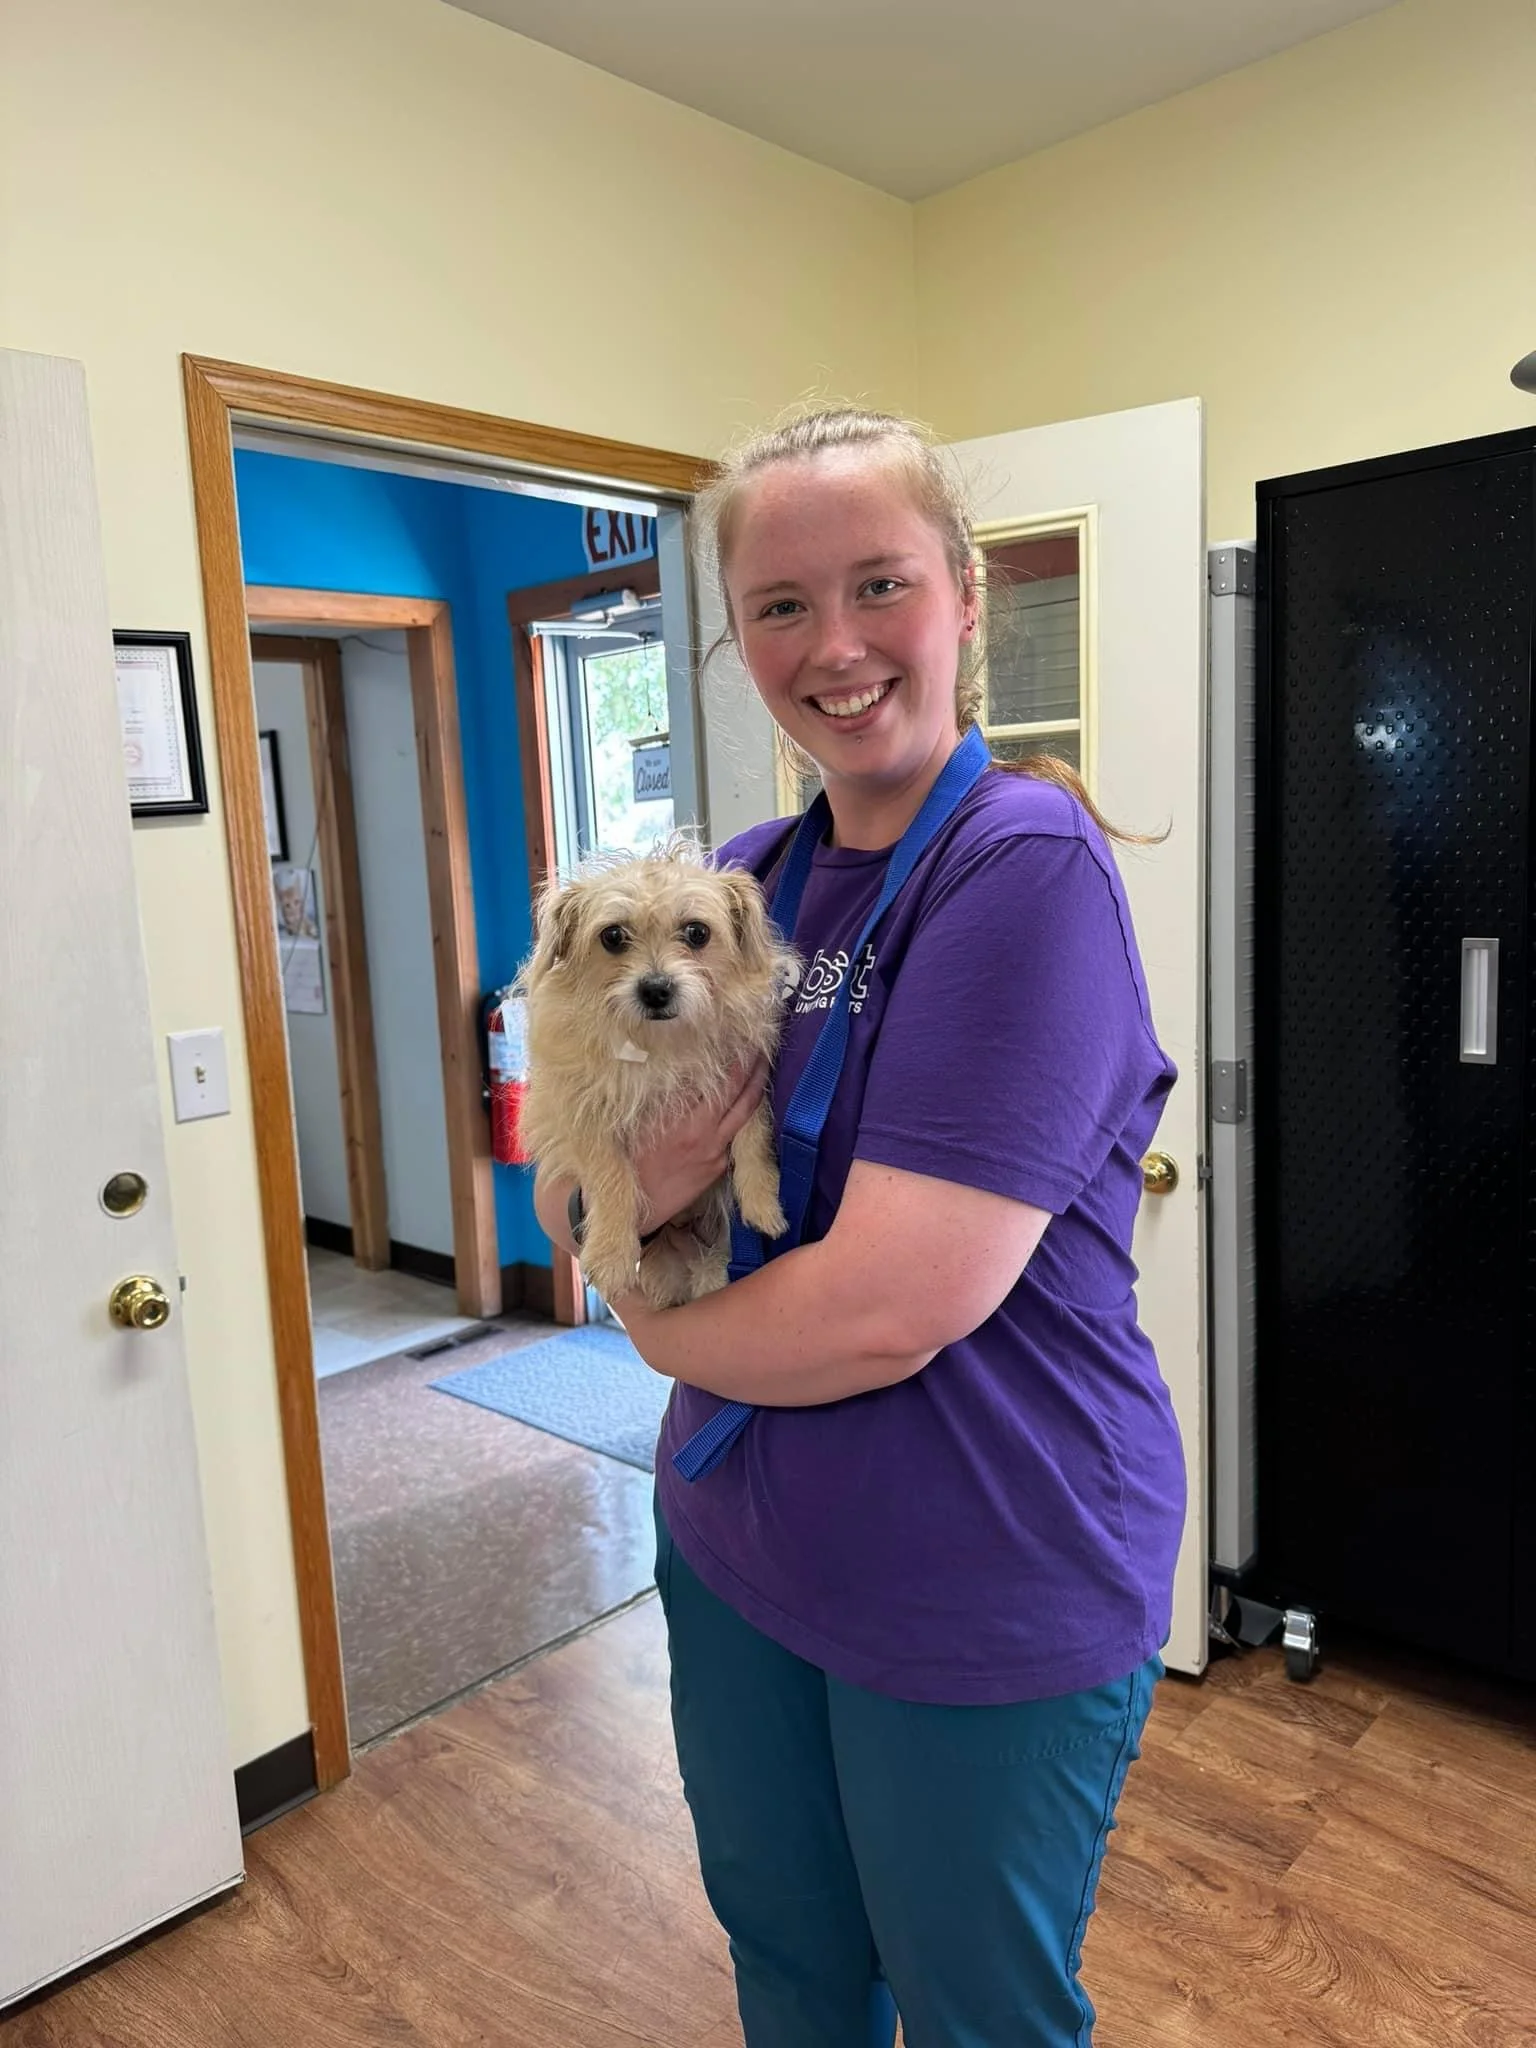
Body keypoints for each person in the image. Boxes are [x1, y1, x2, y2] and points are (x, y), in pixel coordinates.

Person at [534, 407, 1186, 2048]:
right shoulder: (746, 879)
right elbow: (575, 1191)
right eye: (777, 606)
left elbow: (893, 1305)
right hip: (746, 1543)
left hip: (981, 1558)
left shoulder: (1018, 865)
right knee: (794, 1974)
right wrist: (624, 1226)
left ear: (967, 597)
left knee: (977, 2011)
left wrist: (654, 1318)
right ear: (735, 639)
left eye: (880, 585)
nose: (833, 647)